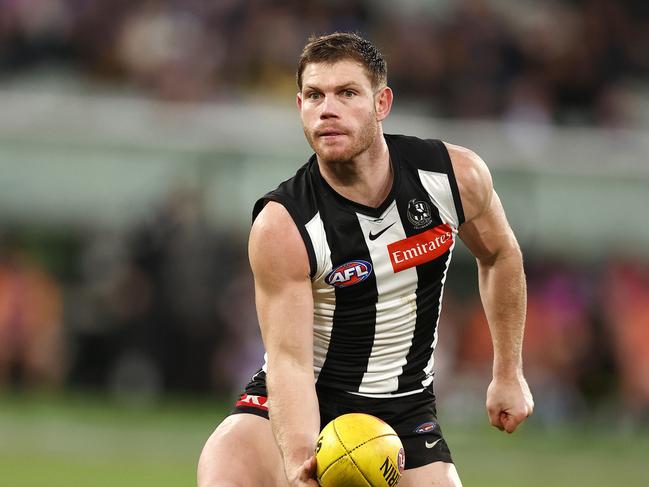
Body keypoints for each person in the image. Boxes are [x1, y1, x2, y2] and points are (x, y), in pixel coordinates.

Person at [198, 32, 534, 487]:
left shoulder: (454, 177)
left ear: (382, 103)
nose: (327, 109)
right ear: (300, 106)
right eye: (315, 95)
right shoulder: (284, 224)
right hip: (309, 398)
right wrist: (301, 460)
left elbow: (500, 255)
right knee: (226, 467)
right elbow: (289, 362)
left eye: (347, 93)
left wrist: (508, 372)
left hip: (404, 411)